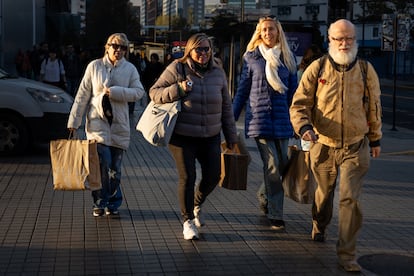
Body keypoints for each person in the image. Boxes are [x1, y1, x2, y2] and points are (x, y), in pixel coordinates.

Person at [289, 19, 382, 272]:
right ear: (330, 40)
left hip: (355, 145)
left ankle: (347, 255)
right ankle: (319, 222)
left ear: (355, 40)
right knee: (324, 194)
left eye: (349, 38)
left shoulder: (365, 69)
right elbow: (299, 104)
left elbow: (373, 106)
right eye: (339, 38)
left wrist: (375, 138)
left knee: (350, 199)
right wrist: (305, 128)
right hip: (323, 144)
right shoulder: (317, 68)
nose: (344, 43)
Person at [149, 33, 238, 240]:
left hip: (211, 135)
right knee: (187, 177)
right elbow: (154, 92)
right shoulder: (177, 68)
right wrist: (178, 89)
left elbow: (226, 107)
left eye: (207, 49)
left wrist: (231, 136)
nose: (204, 53)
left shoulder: (218, 72)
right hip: (182, 136)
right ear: (190, 51)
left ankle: (197, 202)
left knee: (213, 176)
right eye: (199, 49)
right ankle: (187, 220)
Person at [67, 33, 145, 217]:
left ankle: (113, 202)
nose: (118, 50)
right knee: (102, 166)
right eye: (115, 46)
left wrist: (117, 92)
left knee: (114, 171)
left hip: (119, 125)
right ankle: (99, 202)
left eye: (123, 47)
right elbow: (82, 95)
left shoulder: (130, 69)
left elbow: (139, 92)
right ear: (107, 47)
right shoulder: (94, 66)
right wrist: (74, 122)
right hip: (97, 125)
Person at [232, 16, 298, 230]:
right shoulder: (252, 58)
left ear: (278, 32)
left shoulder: (288, 59)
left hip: (283, 120)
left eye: (271, 29)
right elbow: (242, 90)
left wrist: (300, 122)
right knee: (271, 168)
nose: (268, 33)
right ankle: (276, 214)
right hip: (259, 120)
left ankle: (263, 194)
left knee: (283, 166)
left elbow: (294, 95)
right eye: (264, 30)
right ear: (259, 33)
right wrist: (230, 119)